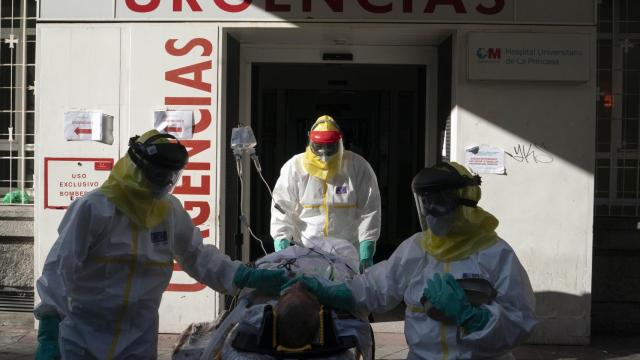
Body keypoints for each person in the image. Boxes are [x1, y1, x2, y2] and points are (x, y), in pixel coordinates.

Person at [34, 130, 288, 360]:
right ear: (137, 168)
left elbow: (197, 257)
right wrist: (48, 329)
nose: (165, 181)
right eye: (159, 174)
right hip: (84, 337)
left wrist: (244, 275)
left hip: (137, 340)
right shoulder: (94, 208)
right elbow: (59, 268)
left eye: (171, 175)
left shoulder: (170, 211)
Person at [286, 161, 537, 359]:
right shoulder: (416, 249)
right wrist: (321, 288)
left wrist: (471, 316)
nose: (430, 211)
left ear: (465, 201)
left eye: (439, 201)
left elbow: (521, 322)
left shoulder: (496, 254)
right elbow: (372, 290)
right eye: (425, 202)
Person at [270, 115, 381, 270]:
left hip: (348, 258)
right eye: (319, 147)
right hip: (305, 256)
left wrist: (366, 253)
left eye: (330, 147)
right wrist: (282, 248)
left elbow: (370, 210)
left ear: (340, 142)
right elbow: (281, 209)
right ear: (310, 141)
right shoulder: (294, 168)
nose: (324, 154)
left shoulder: (358, 167)